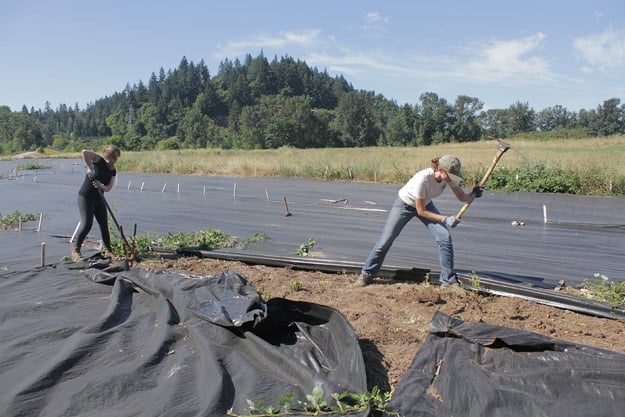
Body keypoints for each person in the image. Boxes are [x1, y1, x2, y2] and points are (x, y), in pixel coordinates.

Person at [355, 154, 483, 287]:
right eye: (451, 174)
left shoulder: (449, 178)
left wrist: (474, 194)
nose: (453, 178)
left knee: (444, 237)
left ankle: (448, 281)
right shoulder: (423, 179)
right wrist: (445, 219)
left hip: (426, 204)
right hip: (404, 205)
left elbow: (462, 197)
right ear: (440, 170)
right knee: (386, 240)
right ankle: (367, 274)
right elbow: (421, 211)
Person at [71, 144, 121, 262]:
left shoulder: (113, 170)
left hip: (99, 198)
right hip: (85, 197)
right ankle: (76, 251)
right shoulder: (99, 161)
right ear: (107, 156)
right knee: (87, 223)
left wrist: (101, 186)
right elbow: (85, 152)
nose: (113, 161)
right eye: (112, 158)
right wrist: (89, 167)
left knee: (104, 224)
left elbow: (108, 188)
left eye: (115, 159)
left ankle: (108, 250)